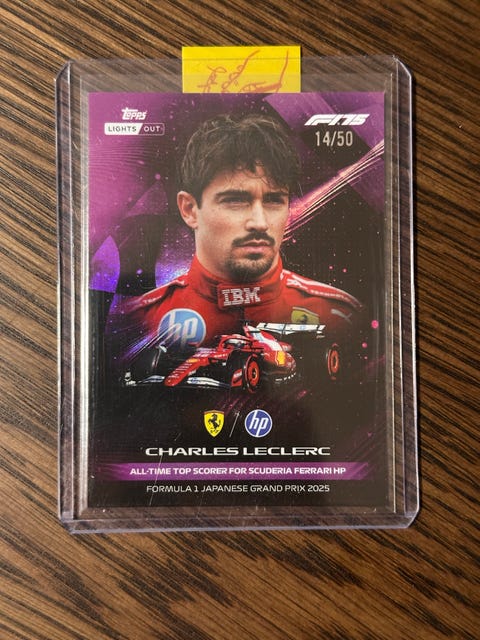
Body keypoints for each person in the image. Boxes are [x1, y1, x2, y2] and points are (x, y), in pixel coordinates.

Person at [107, 113, 363, 368]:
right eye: (236, 201)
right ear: (189, 209)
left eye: (274, 200)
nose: (260, 222)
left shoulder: (340, 315)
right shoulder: (135, 323)